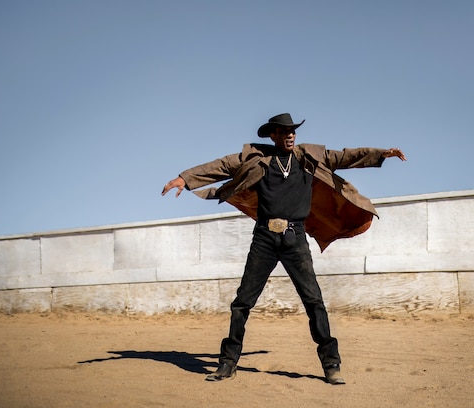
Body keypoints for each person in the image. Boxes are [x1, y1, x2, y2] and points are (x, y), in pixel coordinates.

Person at [161, 113, 406, 384]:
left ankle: (331, 364)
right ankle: (228, 363)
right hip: (264, 238)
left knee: (313, 301)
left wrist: (380, 154)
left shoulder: (310, 157)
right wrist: (186, 178)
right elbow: (220, 166)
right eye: (284, 131)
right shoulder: (255, 158)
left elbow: (347, 156)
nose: (290, 135)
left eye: (293, 131)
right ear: (273, 136)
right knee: (242, 302)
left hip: (295, 239)